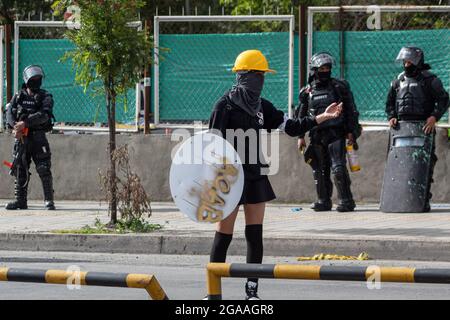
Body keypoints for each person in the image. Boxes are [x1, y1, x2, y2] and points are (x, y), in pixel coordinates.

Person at [207, 49, 342, 300]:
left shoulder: (262, 107)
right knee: (223, 235)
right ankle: (213, 293)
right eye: (258, 75)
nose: (261, 81)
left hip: (255, 174)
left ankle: (252, 291)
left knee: (254, 234)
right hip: (228, 177)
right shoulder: (223, 106)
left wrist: (323, 116)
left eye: (263, 76)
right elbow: (211, 144)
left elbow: (291, 127)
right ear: (244, 76)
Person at [384, 46, 449, 212]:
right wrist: (391, 117)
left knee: (424, 165)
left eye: (410, 61)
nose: (406, 64)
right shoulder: (397, 81)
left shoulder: (429, 80)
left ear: (418, 61)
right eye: (404, 61)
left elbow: (443, 99)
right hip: (401, 129)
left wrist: (434, 117)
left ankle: (422, 199)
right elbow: (389, 104)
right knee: (398, 165)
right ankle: (397, 199)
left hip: (423, 127)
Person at [296, 52, 360, 212]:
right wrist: (300, 136)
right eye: (322, 68)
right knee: (319, 170)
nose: (325, 70)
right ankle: (323, 201)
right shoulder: (307, 91)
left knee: (338, 168)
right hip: (316, 135)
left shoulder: (339, 86)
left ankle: (346, 201)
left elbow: (351, 110)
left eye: (327, 68)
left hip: (336, 133)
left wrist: (352, 131)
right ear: (315, 69)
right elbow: (301, 114)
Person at [5, 65, 55, 210]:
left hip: (38, 137)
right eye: (34, 79)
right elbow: (9, 112)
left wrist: (25, 123)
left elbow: (44, 116)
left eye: (39, 79)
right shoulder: (19, 96)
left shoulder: (45, 96)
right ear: (27, 80)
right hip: (21, 139)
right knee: (20, 168)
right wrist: (15, 127)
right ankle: (21, 201)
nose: (37, 81)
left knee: (43, 168)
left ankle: (49, 200)